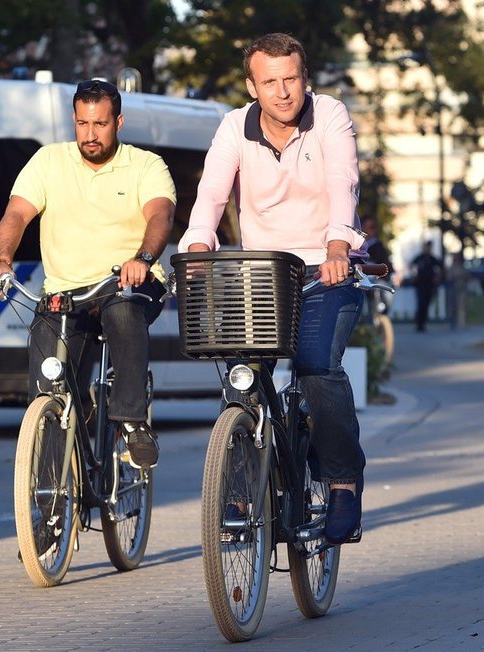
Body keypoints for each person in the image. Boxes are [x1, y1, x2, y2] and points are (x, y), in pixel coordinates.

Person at [178, 33, 367, 544]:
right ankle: (240, 487)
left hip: (326, 270)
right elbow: (212, 194)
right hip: (262, 274)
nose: (282, 92)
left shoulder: (329, 115)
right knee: (243, 375)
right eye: (270, 82)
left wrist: (336, 248)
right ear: (252, 86)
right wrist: (198, 247)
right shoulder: (233, 127)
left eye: (291, 79)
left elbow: (343, 181)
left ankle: (343, 483)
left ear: (305, 78)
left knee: (315, 368)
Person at [0, 79, 176, 469]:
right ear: (74, 120)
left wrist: (142, 256)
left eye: (100, 124)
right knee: (49, 375)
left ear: (117, 121)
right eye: (83, 124)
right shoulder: (48, 161)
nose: (91, 134)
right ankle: (50, 488)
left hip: (127, 282)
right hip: (67, 290)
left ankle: (131, 421)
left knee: (122, 311)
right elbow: (17, 214)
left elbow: (161, 214)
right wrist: (2, 260)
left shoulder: (146, 165)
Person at [361, 216, 394, 317]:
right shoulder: (357, 246)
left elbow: (386, 264)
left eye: (373, 227)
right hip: (361, 280)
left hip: (376, 279)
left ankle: (381, 315)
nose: (371, 230)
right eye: (368, 227)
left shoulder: (379, 246)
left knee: (386, 294)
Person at [410, 241, 443, 332]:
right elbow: (412, 266)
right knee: (421, 304)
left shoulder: (433, 259)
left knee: (427, 304)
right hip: (420, 285)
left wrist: (437, 278)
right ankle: (419, 324)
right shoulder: (419, 258)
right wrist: (414, 276)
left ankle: (423, 323)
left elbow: (440, 269)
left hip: (429, 285)